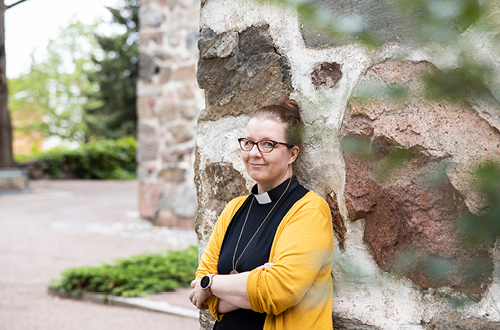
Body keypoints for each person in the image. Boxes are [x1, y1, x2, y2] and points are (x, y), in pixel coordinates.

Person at [189, 99, 335, 330]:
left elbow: (278, 291)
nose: (254, 153)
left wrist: (212, 284)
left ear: (292, 154)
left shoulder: (309, 211)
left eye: (268, 144)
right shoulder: (233, 209)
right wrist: (250, 282)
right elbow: (201, 294)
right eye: (248, 143)